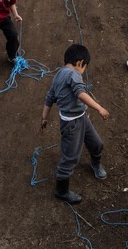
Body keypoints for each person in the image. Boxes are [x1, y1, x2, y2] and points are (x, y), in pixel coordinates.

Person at [41, 44, 110, 204]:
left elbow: (49, 97)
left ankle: (95, 164)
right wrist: (99, 108)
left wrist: (44, 118)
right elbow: (80, 93)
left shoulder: (58, 75)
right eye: (85, 67)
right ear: (80, 63)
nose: (83, 71)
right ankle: (61, 191)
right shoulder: (73, 74)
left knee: (96, 143)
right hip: (72, 124)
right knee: (70, 158)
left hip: (82, 118)